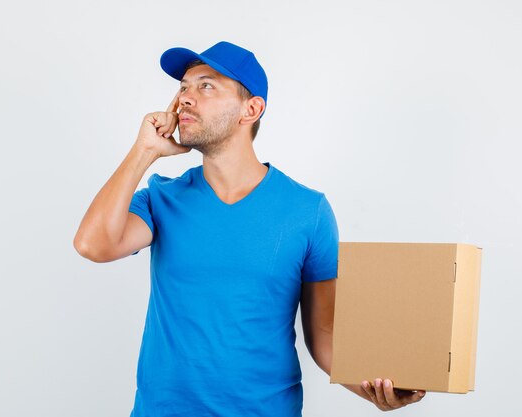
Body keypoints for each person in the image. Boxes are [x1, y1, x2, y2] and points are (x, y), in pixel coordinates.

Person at [73, 40, 426, 416]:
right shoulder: (161, 199)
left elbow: (324, 336)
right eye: (183, 87)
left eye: (206, 86)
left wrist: (373, 386)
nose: (185, 100)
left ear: (251, 109)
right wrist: (143, 152)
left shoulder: (308, 211)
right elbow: (94, 245)